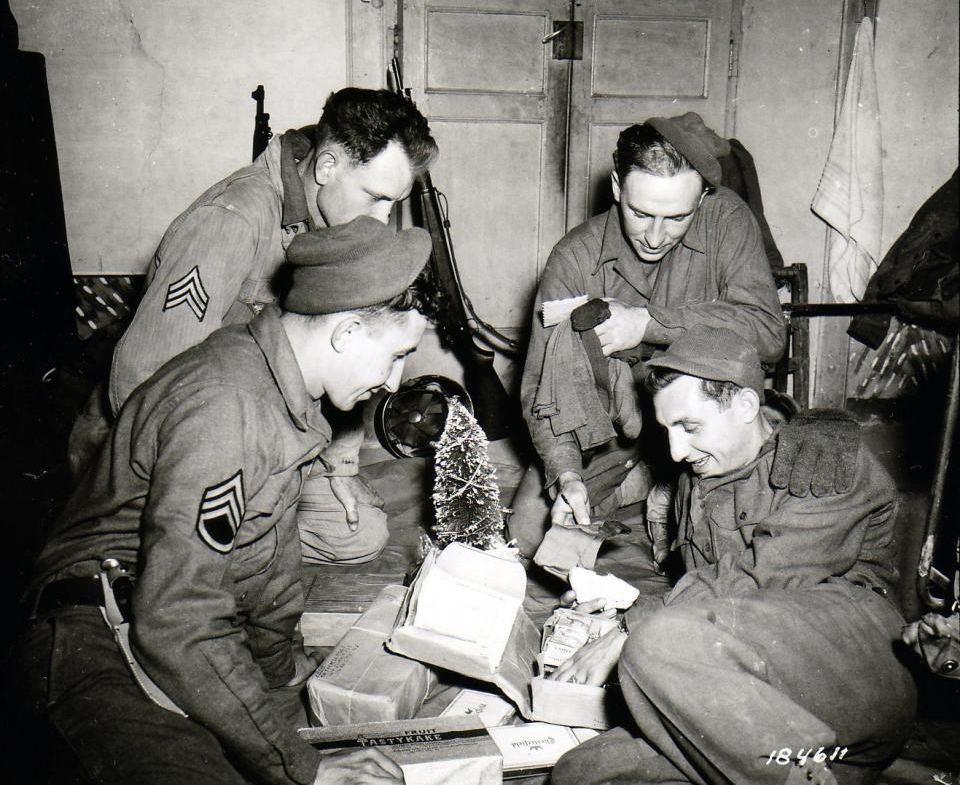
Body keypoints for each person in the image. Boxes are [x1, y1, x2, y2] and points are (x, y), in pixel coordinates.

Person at [13, 217, 439, 785]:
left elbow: (269, 566)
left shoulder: (286, 392)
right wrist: (304, 768)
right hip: (90, 629)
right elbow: (179, 621)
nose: (394, 382)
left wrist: (283, 685)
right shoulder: (227, 405)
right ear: (348, 333)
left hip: (158, 618)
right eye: (396, 355)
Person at [69, 87, 438, 566]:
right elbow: (142, 381)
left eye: (394, 204)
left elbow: (338, 357)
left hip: (259, 431)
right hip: (160, 452)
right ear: (327, 168)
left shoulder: (331, 212)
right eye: (376, 198)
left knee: (358, 532)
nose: (383, 219)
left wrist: (339, 467)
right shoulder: (233, 222)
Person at [550, 326, 917, 785]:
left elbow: (766, 576)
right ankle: (817, 770)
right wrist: (616, 609)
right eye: (667, 430)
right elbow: (711, 594)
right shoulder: (702, 476)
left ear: (745, 405)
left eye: (689, 426)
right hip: (766, 695)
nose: (677, 451)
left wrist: (632, 628)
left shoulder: (823, 458)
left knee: (657, 643)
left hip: (854, 671)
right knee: (583, 773)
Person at [511, 113, 798, 574]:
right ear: (617, 187)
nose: (655, 236)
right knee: (528, 535)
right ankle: (644, 480)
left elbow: (766, 332)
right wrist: (566, 474)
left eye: (678, 217)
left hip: (702, 417)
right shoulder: (573, 257)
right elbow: (541, 388)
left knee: (727, 552)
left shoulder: (727, 220)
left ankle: (667, 486)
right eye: (641, 213)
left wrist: (648, 323)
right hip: (611, 425)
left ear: (702, 197)